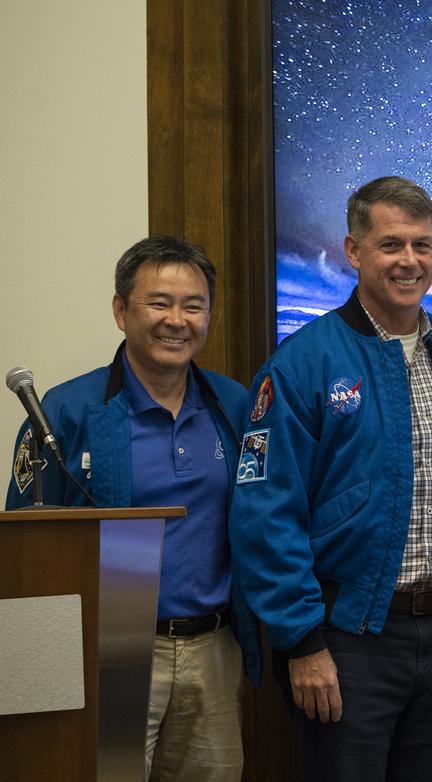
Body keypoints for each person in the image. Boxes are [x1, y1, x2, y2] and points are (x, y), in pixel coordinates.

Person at [228, 176, 432, 781]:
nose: (409, 261)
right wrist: (302, 641)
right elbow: (266, 510)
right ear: (354, 251)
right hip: (345, 637)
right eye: (391, 245)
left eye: (423, 245)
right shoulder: (304, 363)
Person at [5, 235, 262, 781]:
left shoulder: (234, 405)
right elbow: (25, 550)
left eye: (194, 305)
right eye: (159, 303)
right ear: (121, 311)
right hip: (110, 650)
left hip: (214, 650)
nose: (178, 320)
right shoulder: (68, 410)